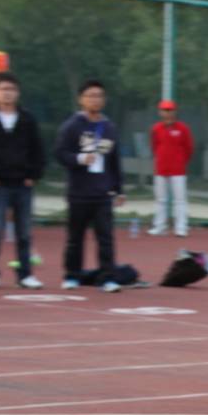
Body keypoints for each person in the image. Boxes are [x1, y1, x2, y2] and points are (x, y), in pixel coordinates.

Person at [0, 71, 45, 290]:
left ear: (18, 92)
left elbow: (37, 149)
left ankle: (25, 274)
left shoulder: (27, 118)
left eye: (11, 89)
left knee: (24, 233)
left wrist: (33, 175)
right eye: (3, 89)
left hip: (23, 183)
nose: (7, 94)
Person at [54, 79, 123, 292]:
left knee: (106, 238)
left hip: (102, 193)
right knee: (75, 238)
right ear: (81, 99)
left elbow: (114, 161)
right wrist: (79, 159)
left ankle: (107, 278)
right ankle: (72, 275)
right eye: (91, 96)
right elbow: (60, 153)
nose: (95, 100)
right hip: (79, 192)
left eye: (99, 96)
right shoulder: (72, 126)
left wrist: (118, 189)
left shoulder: (109, 127)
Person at [150, 98, 193, 238]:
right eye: (164, 110)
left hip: (178, 170)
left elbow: (189, 148)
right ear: (160, 112)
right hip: (161, 169)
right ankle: (159, 226)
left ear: (175, 112)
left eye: (170, 110)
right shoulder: (156, 128)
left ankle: (181, 227)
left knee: (180, 200)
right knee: (160, 199)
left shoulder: (183, 128)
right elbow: (154, 147)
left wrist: (181, 161)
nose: (167, 113)